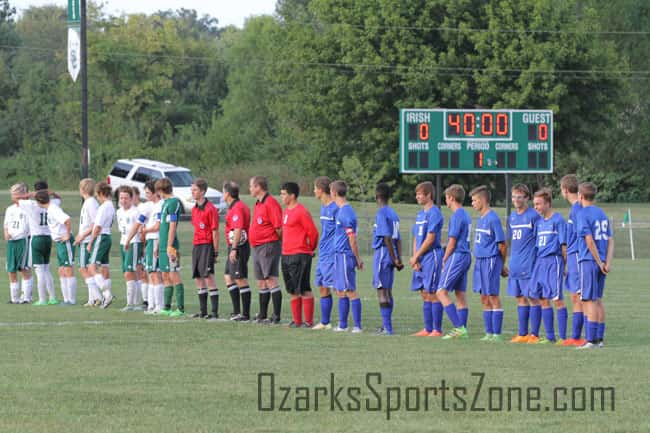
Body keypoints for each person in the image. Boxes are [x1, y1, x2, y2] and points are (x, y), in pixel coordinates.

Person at [576, 182, 614, 349]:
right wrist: (607, 263)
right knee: (598, 300)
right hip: (602, 263)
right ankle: (599, 339)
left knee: (589, 300)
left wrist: (599, 262)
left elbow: (589, 240)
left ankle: (591, 340)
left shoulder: (582, 214)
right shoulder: (602, 213)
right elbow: (611, 240)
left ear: (581, 196)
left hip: (590, 261)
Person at [528, 188, 567, 344]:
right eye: (534, 204)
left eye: (538, 204)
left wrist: (564, 265)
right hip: (540, 262)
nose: (536, 207)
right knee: (542, 298)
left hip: (553, 261)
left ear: (548, 203)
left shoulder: (558, 220)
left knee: (557, 299)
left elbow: (564, 245)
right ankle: (550, 336)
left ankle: (563, 338)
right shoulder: (539, 223)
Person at [470, 185, 507, 342]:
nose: (473, 203)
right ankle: (489, 333)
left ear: (483, 200)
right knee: (483, 296)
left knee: (492, 295)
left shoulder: (493, 218)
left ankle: (497, 334)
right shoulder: (481, 218)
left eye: (474, 200)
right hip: (479, 261)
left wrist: (501, 264)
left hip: (491, 260)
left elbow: (502, 245)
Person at [279, 182, 319, 328]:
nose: (281, 196)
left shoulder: (301, 211)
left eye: (284, 194)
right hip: (286, 254)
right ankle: (297, 321)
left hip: (300, 254)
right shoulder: (285, 211)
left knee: (303, 288)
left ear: (292, 195)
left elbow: (313, 233)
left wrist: (310, 248)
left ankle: (308, 322)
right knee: (292, 289)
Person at [504, 184, 540, 343]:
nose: (516, 200)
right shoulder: (511, 217)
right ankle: (522, 334)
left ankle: (535, 335)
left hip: (529, 265)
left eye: (519, 197)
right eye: (513, 197)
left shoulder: (534, 216)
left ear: (527, 198)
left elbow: (540, 240)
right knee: (519, 298)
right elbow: (510, 241)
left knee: (533, 298)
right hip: (515, 265)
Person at [408, 182, 444, 337]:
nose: (417, 197)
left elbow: (430, 238)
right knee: (423, 292)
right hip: (420, 258)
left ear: (429, 195)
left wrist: (416, 256)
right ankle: (427, 328)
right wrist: (415, 257)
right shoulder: (420, 214)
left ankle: (436, 329)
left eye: (420, 194)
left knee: (432, 292)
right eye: (416, 194)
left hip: (432, 256)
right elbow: (416, 237)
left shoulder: (435, 213)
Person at [437, 184, 472, 340]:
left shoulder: (457, 215)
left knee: (441, 291)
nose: (446, 200)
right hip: (466, 255)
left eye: (446, 197)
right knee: (460, 295)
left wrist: (444, 259)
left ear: (451, 198)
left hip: (458, 255)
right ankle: (462, 331)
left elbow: (452, 242)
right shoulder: (465, 214)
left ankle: (459, 328)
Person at [125, 180, 163, 314]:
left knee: (155, 273)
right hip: (149, 241)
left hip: (155, 240)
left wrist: (145, 231)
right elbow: (138, 224)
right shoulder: (147, 206)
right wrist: (129, 238)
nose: (146, 195)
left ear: (156, 192)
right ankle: (152, 305)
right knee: (151, 273)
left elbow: (158, 226)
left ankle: (159, 306)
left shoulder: (160, 205)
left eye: (148, 193)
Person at [18, 180, 59, 305]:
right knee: (47, 269)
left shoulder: (31, 204)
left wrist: (31, 194)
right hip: (48, 238)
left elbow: (17, 198)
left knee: (39, 271)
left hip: (37, 238)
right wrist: (51, 193)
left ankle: (42, 299)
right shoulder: (53, 203)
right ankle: (52, 297)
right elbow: (58, 197)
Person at [249, 176, 283, 324]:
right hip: (257, 247)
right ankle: (263, 315)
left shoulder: (271, 203)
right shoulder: (258, 203)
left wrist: (277, 243)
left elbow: (279, 228)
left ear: (258, 187)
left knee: (270, 280)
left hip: (268, 245)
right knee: (261, 282)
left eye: (251, 186)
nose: (250, 189)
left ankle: (276, 315)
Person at [331, 181, 364, 333]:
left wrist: (357, 258)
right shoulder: (341, 210)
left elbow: (352, 238)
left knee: (350, 290)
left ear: (334, 193)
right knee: (340, 290)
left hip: (345, 255)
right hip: (339, 255)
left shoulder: (346, 212)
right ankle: (343, 325)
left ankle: (357, 326)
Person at [35, 190, 76, 305]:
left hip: (65, 241)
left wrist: (67, 234)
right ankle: (66, 299)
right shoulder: (50, 208)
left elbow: (67, 220)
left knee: (68, 269)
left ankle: (71, 300)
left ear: (39, 201)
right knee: (61, 270)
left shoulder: (53, 209)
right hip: (59, 242)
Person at [372, 183, 403, 336]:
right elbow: (399, 239)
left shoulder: (381, 213)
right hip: (391, 255)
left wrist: (392, 257)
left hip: (384, 254)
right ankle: (387, 326)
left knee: (381, 290)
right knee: (388, 290)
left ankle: (387, 328)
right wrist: (398, 258)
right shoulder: (394, 214)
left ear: (376, 196)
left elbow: (387, 237)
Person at [560, 174, 586, 346]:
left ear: (565, 190)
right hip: (573, 257)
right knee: (575, 297)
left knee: (579, 297)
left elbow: (583, 235)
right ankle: (576, 336)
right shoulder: (575, 208)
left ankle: (578, 337)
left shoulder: (577, 208)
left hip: (577, 256)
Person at [190, 178, 220, 320]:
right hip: (197, 245)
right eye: (192, 190)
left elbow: (215, 231)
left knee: (208, 277)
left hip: (207, 245)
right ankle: (203, 311)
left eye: (195, 190)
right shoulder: (194, 208)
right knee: (198, 278)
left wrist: (215, 251)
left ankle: (214, 312)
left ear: (202, 191)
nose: (193, 192)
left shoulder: (211, 209)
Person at [311, 176, 338, 330]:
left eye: (315, 188)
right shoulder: (323, 207)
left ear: (321, 190)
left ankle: (343, 323)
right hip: (323, 254)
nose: (314, 191)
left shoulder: (336, 208)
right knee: (321, 285)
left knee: (338, 288)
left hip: (332, 254)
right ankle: (325, 322)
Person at [222, 181, 252, 321]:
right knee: (228, 276)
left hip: (238, 247)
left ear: (227, 193)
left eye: (223, 192)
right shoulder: (233, 207)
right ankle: (236, 311)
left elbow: (238, 229)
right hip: (233, 246)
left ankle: (245, 314)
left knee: (240, 278)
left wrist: (234, 248)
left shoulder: (238, 208)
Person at [156, 178, 185, 317]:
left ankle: (180, 308)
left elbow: (172, 226)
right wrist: (158, 246)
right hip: (162, 246)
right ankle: (166, 308)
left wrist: (169, 246)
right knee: (165, 275)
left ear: (161, 190)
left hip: (170, 246)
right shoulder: (164, 204)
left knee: (174, 275)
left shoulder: (174, 203)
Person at [87, 181, 115, 308]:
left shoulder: (103, 207)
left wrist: (91, 242)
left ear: (100, 193)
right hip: (107, 237)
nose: (97, 198)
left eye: (97, 195)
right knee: (104, 268)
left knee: (91, 267)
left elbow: (97, 227)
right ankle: (107, 296)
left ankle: (107, 294)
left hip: (101, 237)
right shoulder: (111, 205)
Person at [4, 183, 33, 304]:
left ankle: (26, 297)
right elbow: (6, 225)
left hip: (23, 240)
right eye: (13, 195)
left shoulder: (28, 208)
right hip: (11, 242)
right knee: (11, 270)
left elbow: (31, 225)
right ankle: (14, 298)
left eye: (17, 195)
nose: (14, 197)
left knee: (24, 268)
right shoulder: (10, 209)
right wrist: (6, 233)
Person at [74, 178, 100, 307]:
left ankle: (98, 296)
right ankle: (92, 299)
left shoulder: (91, 203)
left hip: (87, 240)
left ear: (83, 189)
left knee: (83, 268)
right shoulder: (88, 202)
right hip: (84, 240)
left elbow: (95, 224)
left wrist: (82, 235)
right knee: (87, 270)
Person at [117, 186, 143, 311]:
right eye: (121, 198)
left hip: (134, 243)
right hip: (123, 243)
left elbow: (140, 229)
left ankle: (131, 304)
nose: (123, 200)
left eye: (126, 198)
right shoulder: (119, 211)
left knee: (129, 272)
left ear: (131, 199)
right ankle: (138, 302)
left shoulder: (135, 212)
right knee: (129, 273)